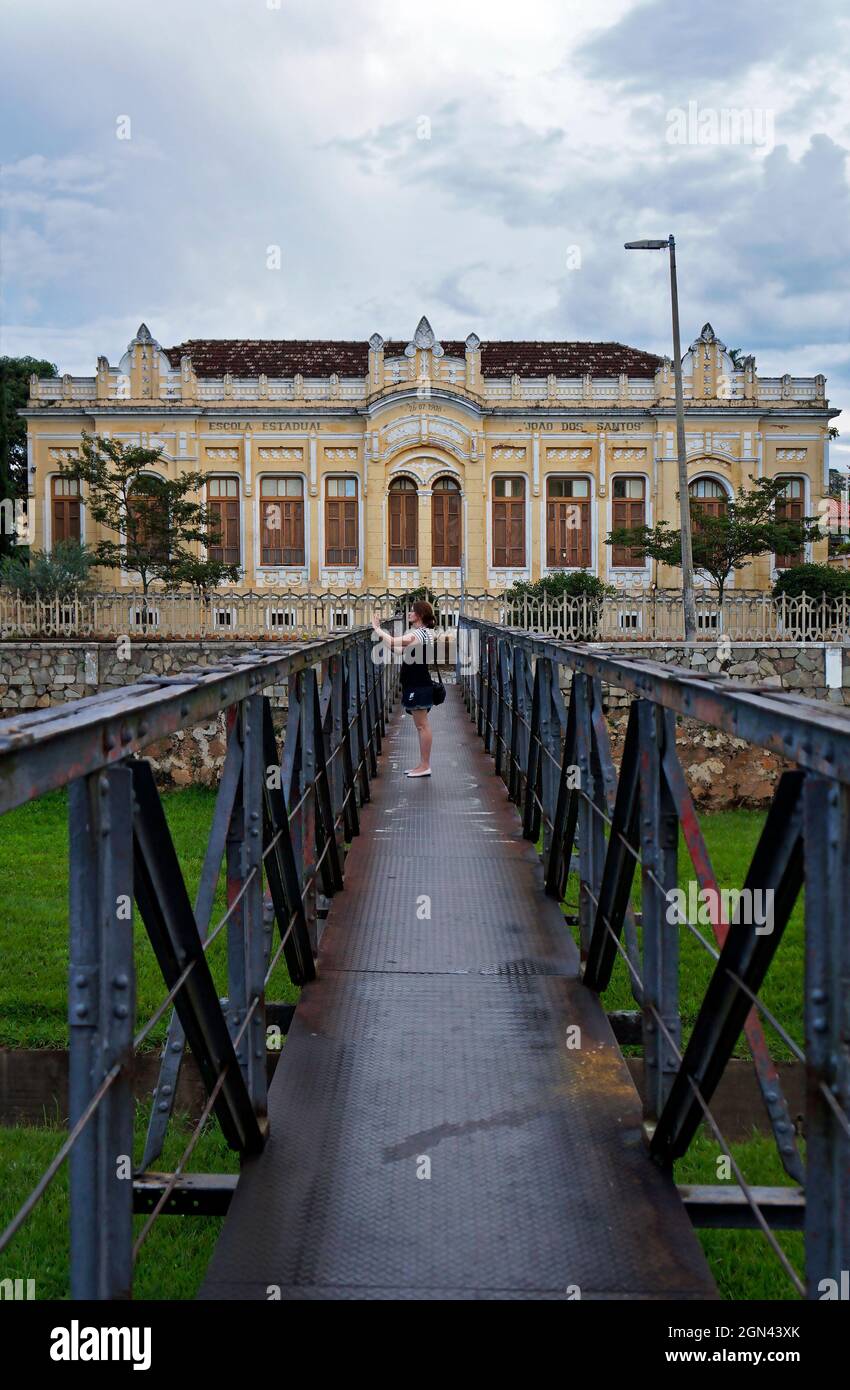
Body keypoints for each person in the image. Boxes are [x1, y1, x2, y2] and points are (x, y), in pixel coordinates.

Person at [371, 600, 436, 777]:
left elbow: (393, 640)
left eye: (412, 611)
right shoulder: (422, 633)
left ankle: (425, 766)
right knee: (421, 726)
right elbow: (396, 648)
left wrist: (377, 629)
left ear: (420, 615)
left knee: (422, 726)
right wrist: (383, 637)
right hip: (418, 684)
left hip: (419, 685)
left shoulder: (419, 634)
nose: (408, 613)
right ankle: (422, 765)